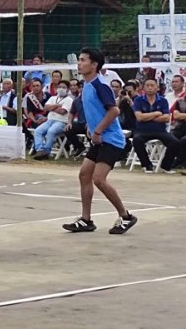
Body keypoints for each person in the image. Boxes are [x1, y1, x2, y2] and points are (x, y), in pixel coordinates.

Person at [62, 48, 137, 235]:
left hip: (111, 139)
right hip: (99, 137)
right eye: (79, 60)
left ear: (94, 64)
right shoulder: (86, 85)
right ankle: (86, 220)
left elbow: (114, 111)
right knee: (84, 175)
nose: (79, 63)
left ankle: (126, 216)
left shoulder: (100, 85)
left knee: (98, 179)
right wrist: (91, 126)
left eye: (83, 60)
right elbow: (94, 110)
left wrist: (97, 130)